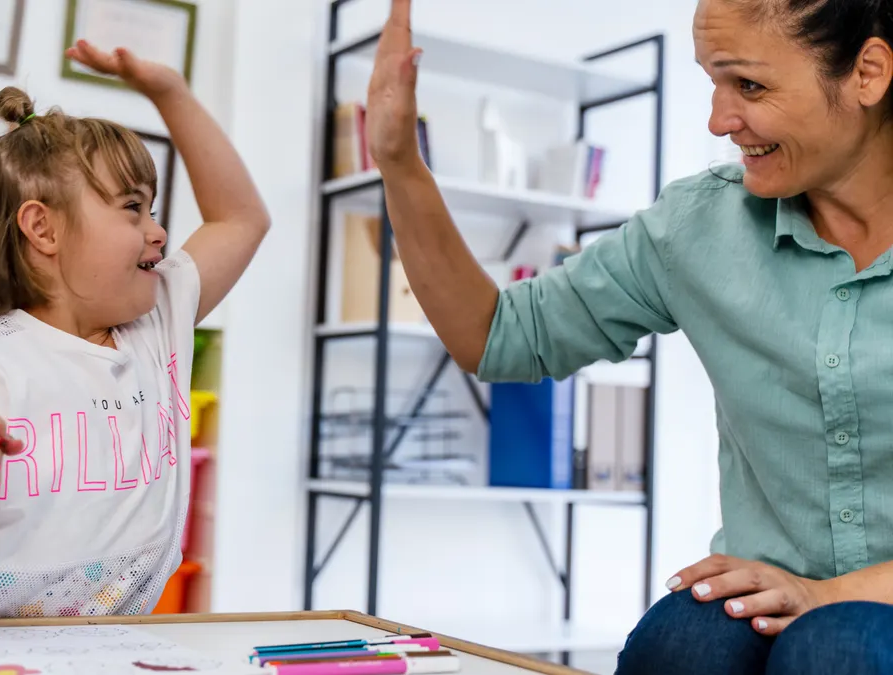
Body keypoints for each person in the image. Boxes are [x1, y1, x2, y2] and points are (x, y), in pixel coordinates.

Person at [365, 0, 893, 672]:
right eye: (712, 83)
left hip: (851, 620)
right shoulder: (701, 227)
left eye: (750, 86)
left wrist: (828, 595)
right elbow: (499, 336)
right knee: (685, 638)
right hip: (771, 600)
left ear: (868, 73)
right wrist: (400, 162)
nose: (719, 120)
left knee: (837, 645)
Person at [0, 40, 269, 620]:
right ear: (42, 229)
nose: (159, 233)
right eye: (132, 207)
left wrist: (168, 93)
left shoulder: (158, 323)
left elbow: (241, 217)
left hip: (105, 651)